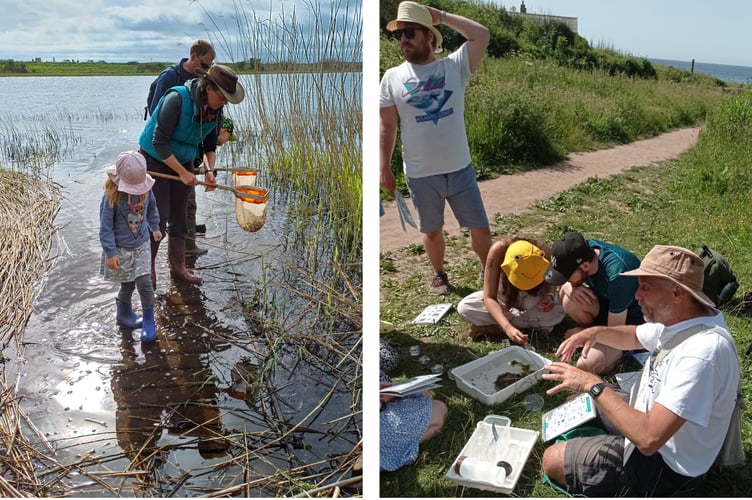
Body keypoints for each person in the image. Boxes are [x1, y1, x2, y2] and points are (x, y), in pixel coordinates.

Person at [541, 245, 741, 496]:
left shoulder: (702, 354)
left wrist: (593, 383)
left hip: (667, 465)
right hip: (650, 416)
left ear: (677, 293)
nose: (637, 295)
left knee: (552, 459)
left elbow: (648, 439)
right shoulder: (684, 317)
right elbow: (635, 337)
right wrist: (593, 332)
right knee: (578, 402)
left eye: (645, 287)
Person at [380, 1, 492, 296]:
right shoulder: (392, 77)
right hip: (420, 174)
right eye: (400, 34)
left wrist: (440, 16)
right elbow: (388, 127)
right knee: (431, 231)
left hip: (460, 168)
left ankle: (489, 272)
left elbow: (481, 35)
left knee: (480, 227)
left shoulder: (454, 66)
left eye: (411, 32)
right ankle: (440, 274)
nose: (404, 39)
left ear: (430, 36)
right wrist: (383, 167)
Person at [139, 64, 245, 285]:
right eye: (222, 96)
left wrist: (209, 172)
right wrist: (181, 172)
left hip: (184, 157)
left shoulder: (216, 111)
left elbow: (209, 145)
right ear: (208, 88)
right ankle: (147, 271)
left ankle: (178, 269)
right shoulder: (177, 99)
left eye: (228, 99)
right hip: (155, 158)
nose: (225, 102)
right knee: (159, 217)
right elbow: (159, 141)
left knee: (180, 216)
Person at [148, 40, 217, 256]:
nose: (206, 71)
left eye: (210, 67)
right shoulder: (172, 78)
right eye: (205, 65)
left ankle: (186, 250)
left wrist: (208, 169)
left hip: (187, 153)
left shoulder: (204, 84)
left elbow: (208, 136)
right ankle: (150, 264)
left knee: (187, 204)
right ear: (193, 55)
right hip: (163, 151)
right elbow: (156, 115)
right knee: (162, 212)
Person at [544, 231, 644, 374]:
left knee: (586, 364)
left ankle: (619, 351)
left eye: (567, 276)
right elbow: (567, 286)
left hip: (629, 326)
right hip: (609, 309)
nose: (565, 280)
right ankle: (595, 336)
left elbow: (616, 331)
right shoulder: (584, 249)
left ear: (584, 266)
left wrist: (583, 334)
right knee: (567, 297)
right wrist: (569, 286)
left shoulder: (618, 276)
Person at [99, 150, 162, 342]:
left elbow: (152, 210)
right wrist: (111, 253)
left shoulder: (147, 191)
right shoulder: (112, 197)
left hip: (142, 243)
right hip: (120, 248)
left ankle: (149, 320)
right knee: (127, 284)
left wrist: (155, 227)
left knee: (144, 282)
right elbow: (105, 227)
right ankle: (123, 314)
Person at [457, 237, 565, 344]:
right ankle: (526, 324)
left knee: (562, 305)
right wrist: (508, 327)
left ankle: (499, 325)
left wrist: (548, 295)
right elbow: (489, 297)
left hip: (533, 298)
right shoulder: (497, 251)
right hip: (503, 297)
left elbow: (550, 282)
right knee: (465, 307)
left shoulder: (544, 252)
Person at [187, 115, 237, 255]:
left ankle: (188, 230)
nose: (226, 141)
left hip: (190, 165)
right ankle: (188, 246)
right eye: (229, 137)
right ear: (224, 131)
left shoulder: (209, 136)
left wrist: (208, 170)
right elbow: (203, 150)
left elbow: (205, 152)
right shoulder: (209, 131)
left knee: (188, 203)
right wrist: (206, 170)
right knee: (189, 203)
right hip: (185, 164)